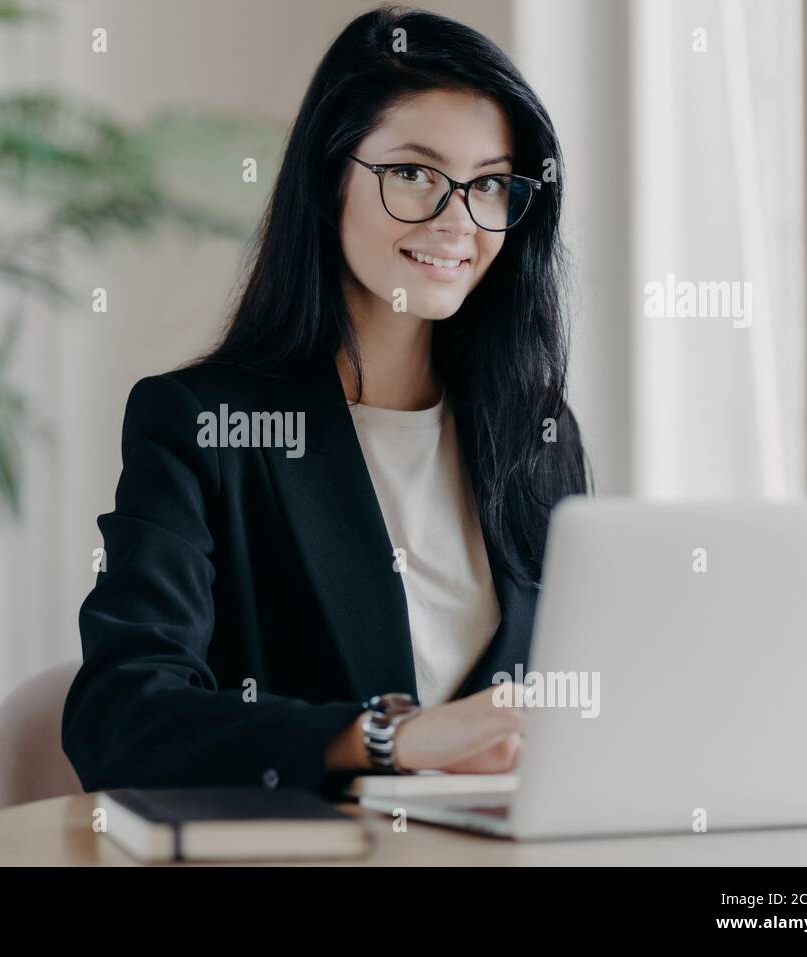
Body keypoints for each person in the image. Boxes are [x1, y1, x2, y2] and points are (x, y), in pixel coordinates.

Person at [62, 5, 591, 797]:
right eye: (413, 172)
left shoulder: (537, 434)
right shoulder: (201, 427)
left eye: (488, 184)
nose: (458, 220)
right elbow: (119, 716)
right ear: (327, 176)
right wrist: (389, 737)